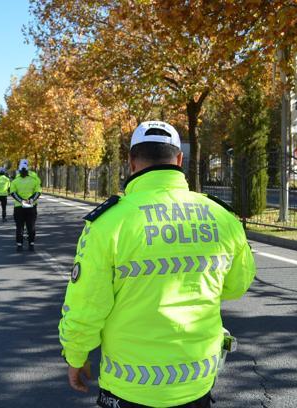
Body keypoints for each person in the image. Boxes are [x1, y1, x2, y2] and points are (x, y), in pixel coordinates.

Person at [59, 121, 256, 408]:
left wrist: (76, 356)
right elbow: (237, 286)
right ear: (179, 160)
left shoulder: (108, 223)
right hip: (197, 380)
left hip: (130, 387)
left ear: (131, 162)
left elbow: (87, 305)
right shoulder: (222, 217)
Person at [9, 159, 42, 251]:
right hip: (31, 206)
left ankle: (19, 245)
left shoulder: (15, 181)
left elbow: (13, 193)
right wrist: (31, 200)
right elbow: (38, 191)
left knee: (19, 227)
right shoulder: (34, 179)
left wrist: (21, 201)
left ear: (19, 171)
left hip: (19, 207)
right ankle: (31, 245)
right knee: (31, 226)